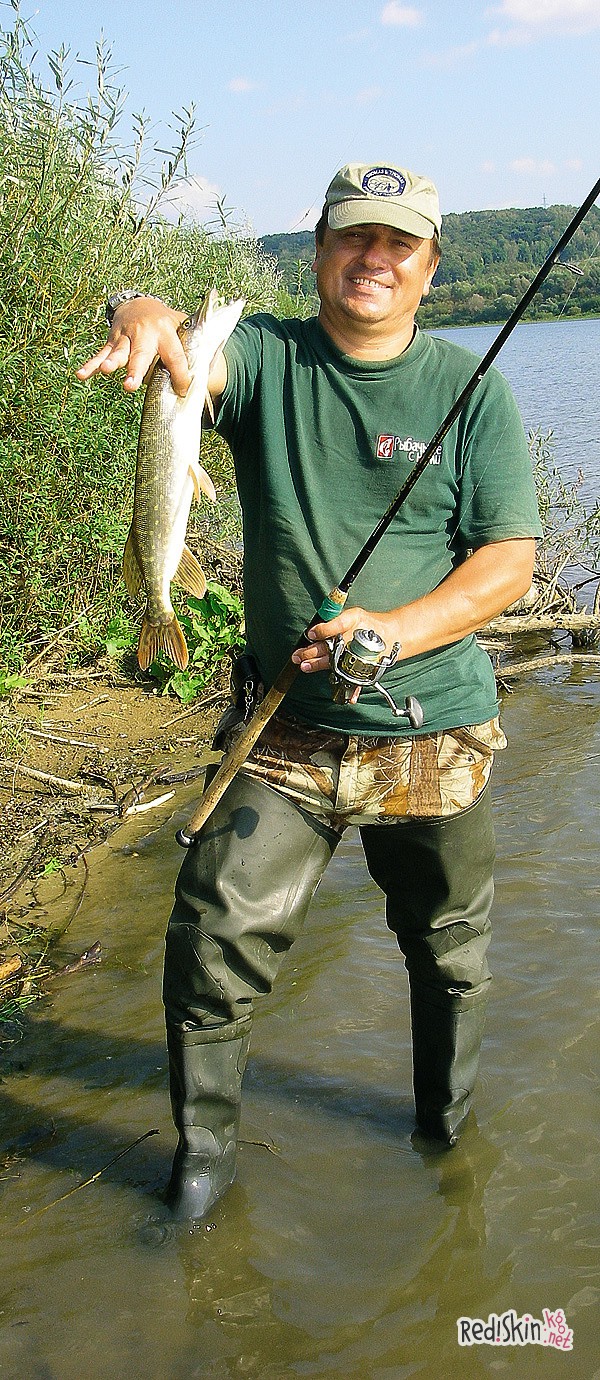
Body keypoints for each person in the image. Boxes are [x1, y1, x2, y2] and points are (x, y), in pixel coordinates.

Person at [77, 162, 541, 1219]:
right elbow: (181, 354)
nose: (374, 259)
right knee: (210, 940)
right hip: (285, 725)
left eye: (399, 244)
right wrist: (135, 307)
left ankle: (443, 1140)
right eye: (354, 238)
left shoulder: (472, 389)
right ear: (321, 250)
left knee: (450, 955)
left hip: (431, 724)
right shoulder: (267, 359)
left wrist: (393, 629)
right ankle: (200, 1169)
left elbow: (508, 563)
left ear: (430, 266)